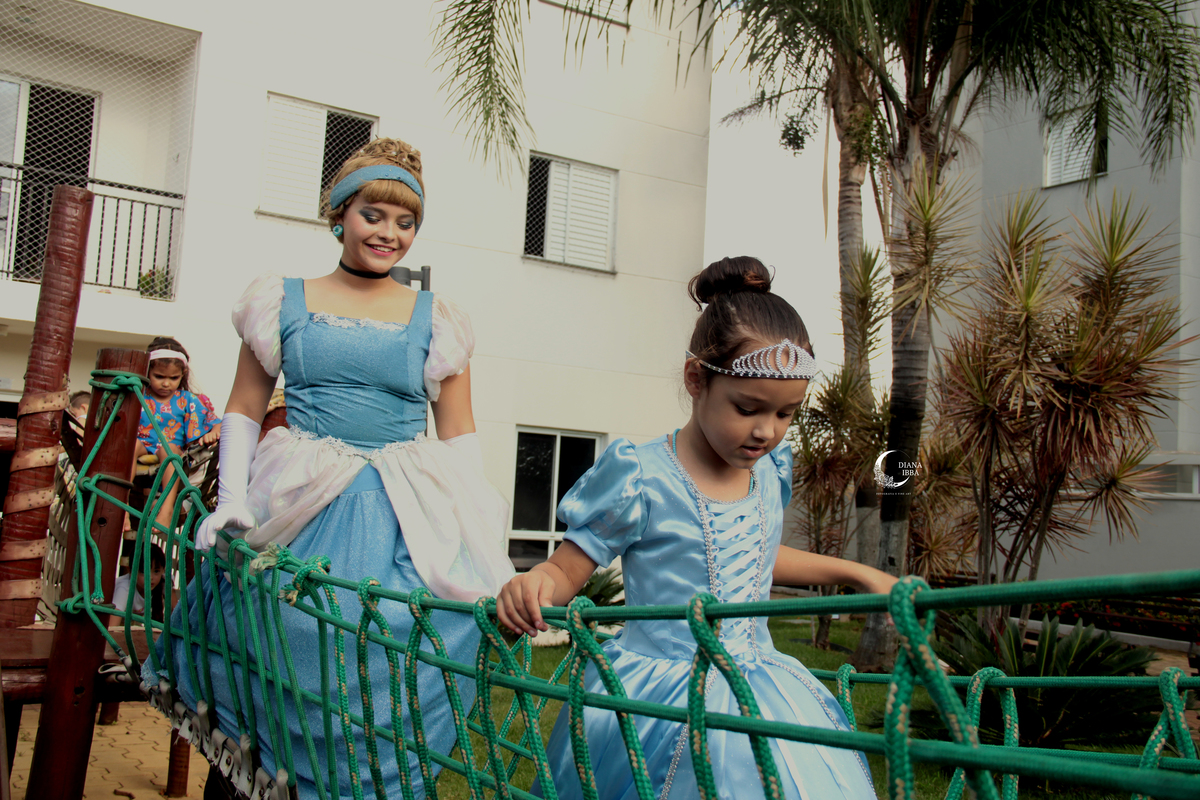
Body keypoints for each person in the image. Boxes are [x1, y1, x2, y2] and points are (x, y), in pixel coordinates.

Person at [142, 137, 515, 800]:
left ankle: (362, 780)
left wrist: (479, 523)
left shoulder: (440, 320)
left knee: (396, 636)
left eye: (406, 222)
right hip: (303, 493)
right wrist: (231, 497)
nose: (389, 233)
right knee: (276, 627)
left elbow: (458, 431)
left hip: (403, 500)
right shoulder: (280, 300)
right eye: (374, 214)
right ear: (339, 213)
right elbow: (245, 408)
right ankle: (252, 774)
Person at [496, 257, 894, 800]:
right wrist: (535, 583)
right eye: (748, 407)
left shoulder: (770, 470)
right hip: (659, 695)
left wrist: (858, 573)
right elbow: (567, 567)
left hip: (763, 685)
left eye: (785, 414)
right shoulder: (641, 474)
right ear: (695, 379)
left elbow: (760, 555)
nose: (765, 432)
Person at [134, 337, 221, 530]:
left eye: (173, 378)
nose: (166, 384)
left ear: (182, 375)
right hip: (142, 447)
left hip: (170, 451)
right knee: (129, 447)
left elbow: (217, 424)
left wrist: (213, 432)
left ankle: (166, 511)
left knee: (170, 451)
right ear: (147, 371)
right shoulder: (138, 395)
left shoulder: (187, 400)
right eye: (159, 376)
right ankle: (121, 508)